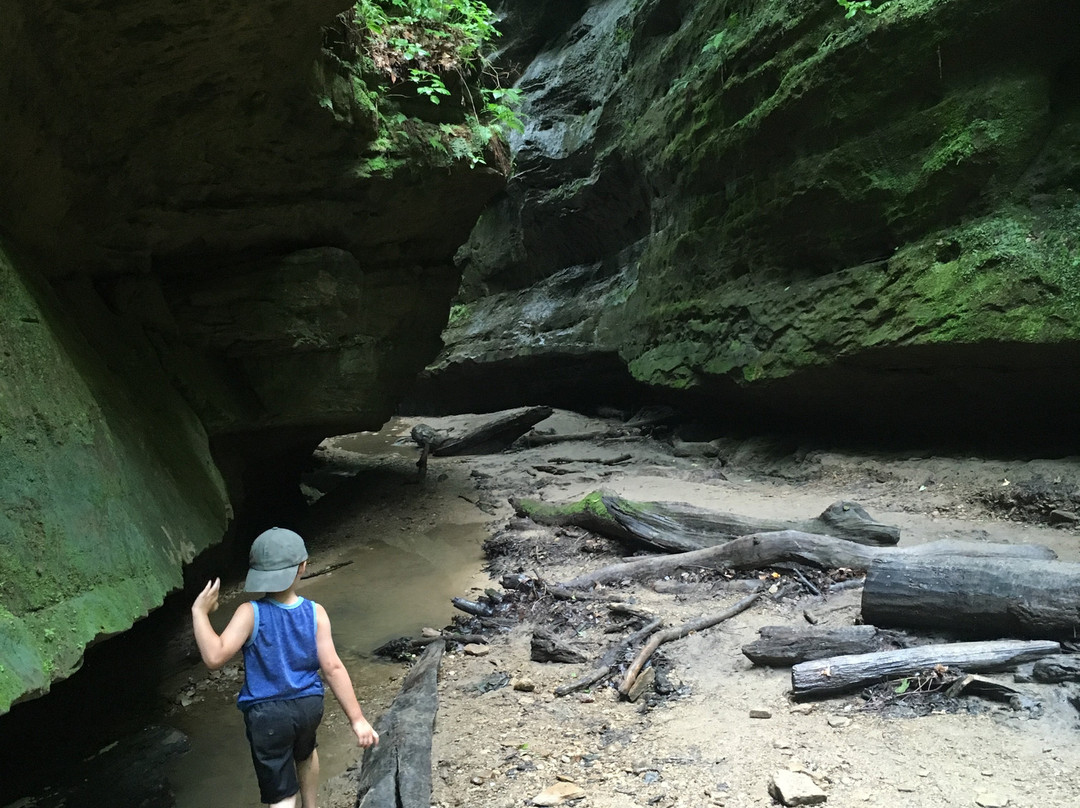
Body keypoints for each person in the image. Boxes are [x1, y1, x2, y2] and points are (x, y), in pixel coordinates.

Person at [191, 527, 379, 808]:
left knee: (281, 792)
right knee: (305, 752)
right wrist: (357, 719)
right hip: (308, 705)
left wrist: (199, 613)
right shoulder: (316, 612)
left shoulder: (249, 613)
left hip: (267, 715)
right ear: (303, 567)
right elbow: (333, 668)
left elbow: (214, 657)